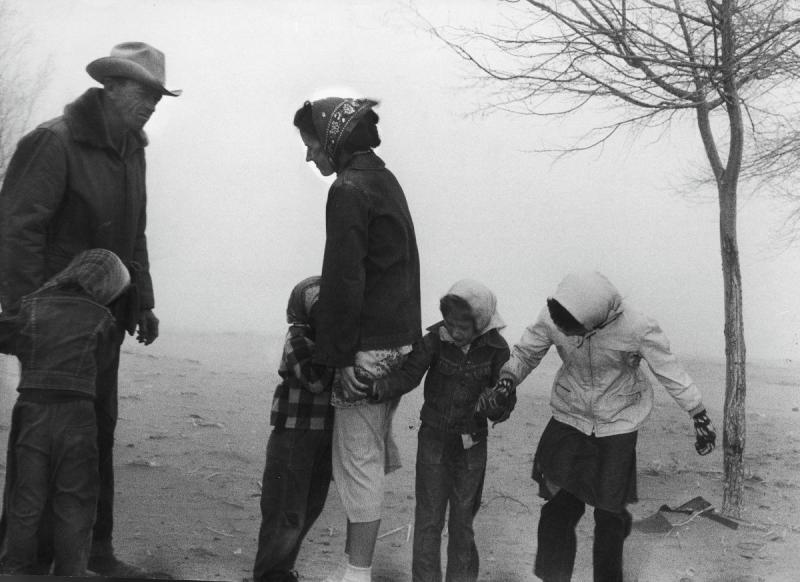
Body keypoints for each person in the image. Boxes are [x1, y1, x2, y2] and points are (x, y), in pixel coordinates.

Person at [0, 41, 180, 576]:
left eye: (158, 95)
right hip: (54, 331)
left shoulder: (133, 150)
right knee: (43, 443)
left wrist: (141, 299)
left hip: (104, 325)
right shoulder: (52, 143)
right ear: (113, 86)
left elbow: (134, 232)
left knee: (95, 433)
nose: (154, 103)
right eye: (146, 92)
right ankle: (24, 559)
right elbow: (16, 233)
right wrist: (30, 319)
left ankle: (91, 554)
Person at [476, 270, 717, 582]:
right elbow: (525, 353)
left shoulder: (637, 326)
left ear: (596, 319)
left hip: (617, 424)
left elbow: (669, 370)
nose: (567, 330)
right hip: (569, 417)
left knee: (609, 515)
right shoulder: (553, 316)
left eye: (575, 327)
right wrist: (508, 380)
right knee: (558, 508)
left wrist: (698, 414)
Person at [293, 97, 422, 582]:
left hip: (367, 346)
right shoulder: (384, 180)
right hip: (398, 340)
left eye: (310, 143)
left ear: (331, 139)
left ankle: (356, 574)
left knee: (357, 459)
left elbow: (345, 279)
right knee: (366, 452)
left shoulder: (348, 189)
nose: (309, 157)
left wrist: (338, 355)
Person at [364, 279, 510, 582]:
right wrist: (379, 388)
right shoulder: (433, 340)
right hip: (433, 439)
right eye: (450, 323)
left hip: (473, 445)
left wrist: (495, 403)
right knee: (428, 520)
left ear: (481, 322)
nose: (455, 332)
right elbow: (408, 375)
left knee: (462, 521)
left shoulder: (497, 349)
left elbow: (505, 406)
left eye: (463, 327)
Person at [0, 249, 130, 575]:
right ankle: (72, 570)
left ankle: (14, 569)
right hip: (77, 414)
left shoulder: (31, 306)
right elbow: (101, 367)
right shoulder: (103, 318)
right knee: (75, 498)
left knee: (26, 498)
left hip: (31, 411)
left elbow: (7, 336)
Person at [253, 276, 335, 582]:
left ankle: (281, 570)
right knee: (285, 509)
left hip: (323, 433)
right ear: (304, 309)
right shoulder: (298, 339)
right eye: (319, 308)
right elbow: (315, 379)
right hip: (294, 433)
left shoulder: (326, 341)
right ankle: (270, 573)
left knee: (310, 505)